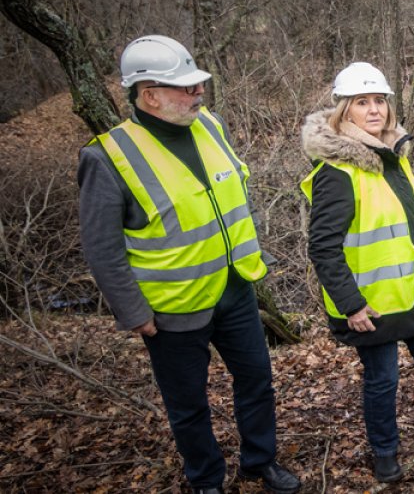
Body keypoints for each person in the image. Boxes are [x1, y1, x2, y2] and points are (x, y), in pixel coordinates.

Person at [77, 36, 300, 494]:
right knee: (188, 405)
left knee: (257, 381)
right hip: (172, 309)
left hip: (234, 289)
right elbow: (102, 248)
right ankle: (206, 480)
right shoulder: (108, 157)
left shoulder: (210, 126)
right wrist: (134, 313)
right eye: (185, 88)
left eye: (199, 85)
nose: (198, 94)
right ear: (149, 94)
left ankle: (260, 461)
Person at [300, 62, 414, 482]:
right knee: (382, 380)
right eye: (362, 102)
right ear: (344, 111)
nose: (374, 110)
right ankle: (385, 452)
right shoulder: (336, 173)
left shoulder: (396, 158)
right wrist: (351, 305)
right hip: (372, 305)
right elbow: (323, 248)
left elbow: (411, 234)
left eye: (379, 101)